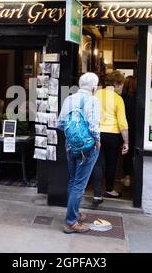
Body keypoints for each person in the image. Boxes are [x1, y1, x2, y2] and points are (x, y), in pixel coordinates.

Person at [58, 72, 101, 233]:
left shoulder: (69, 99)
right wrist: (97, 141)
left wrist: (73, 136)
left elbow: (60, 124)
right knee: (79, 184)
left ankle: (74, 214)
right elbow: (93, 125)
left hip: (70, 145)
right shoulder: (93, 100)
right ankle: (71, 222)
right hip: (87, 147)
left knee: (73, 181)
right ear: (94, 87)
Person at [92, 70, 129, 205]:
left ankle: (96, 195)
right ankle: (109, 189)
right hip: (113, 135)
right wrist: (126, 141)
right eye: (121, 85)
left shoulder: (96, 94)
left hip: (96, 133)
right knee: (111, 163)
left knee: (97, 163)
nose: (122, 88)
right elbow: (122, 123)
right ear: (116, 84)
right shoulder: (118, 99)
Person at [121, 75, 136, 187]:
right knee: (134, 153)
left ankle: (127, 177)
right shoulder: (139, 97)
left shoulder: (122, 98)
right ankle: (135, 176)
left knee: (126, 153)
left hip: (125, 129)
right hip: (137, 129)